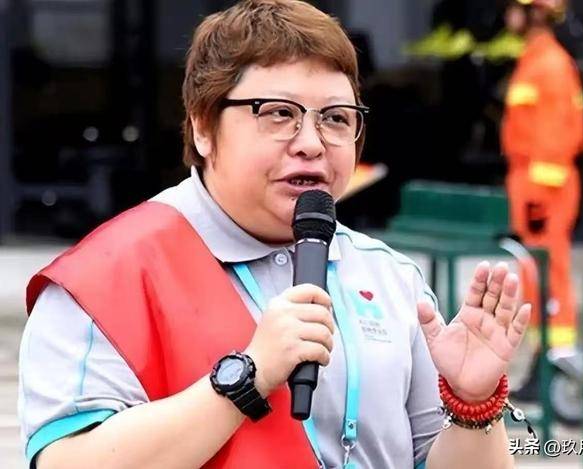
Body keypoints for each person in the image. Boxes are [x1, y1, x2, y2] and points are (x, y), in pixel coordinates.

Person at [18, 1, 532, 467]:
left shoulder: (390, 277)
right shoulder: (107, 277)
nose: (311, 143)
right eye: (279, 114)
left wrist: (472, 405)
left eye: (336, 118)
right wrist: (249, 376)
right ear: (203, 127)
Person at [501, 0, 583, 399]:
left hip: (544, 190)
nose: (507, 15)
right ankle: (544, 359)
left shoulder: (549, 65)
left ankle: (559, 362)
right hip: (533, 187)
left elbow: (556, 139)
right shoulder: (535, 60)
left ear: (534, 12)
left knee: (550, 274)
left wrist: (538, 198)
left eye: (513, 7)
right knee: (536, 276)